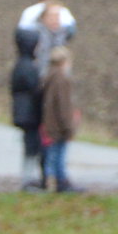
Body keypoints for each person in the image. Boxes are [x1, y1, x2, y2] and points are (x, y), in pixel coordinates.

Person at [10, 23, 45, 189]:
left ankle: (29, 178)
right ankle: (28, 179)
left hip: (24, 112)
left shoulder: (22, 63)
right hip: (29, 113)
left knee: (30, 145)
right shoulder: (28, 66)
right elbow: (35, 90)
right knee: (31, 147)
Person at [40, 45, 80, 192]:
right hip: (58, 126)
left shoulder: (49, 76)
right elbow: (64, 106)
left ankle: (50, 182)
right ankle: (60, 182)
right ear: (64, 61)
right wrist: (69, 127)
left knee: (52, 155)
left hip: (49, 124)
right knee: (59, 155)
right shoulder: (62, 79)